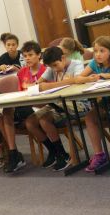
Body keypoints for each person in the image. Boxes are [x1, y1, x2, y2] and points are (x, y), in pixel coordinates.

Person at [25, 46, 88, 171]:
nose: (54, 69)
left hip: (77, 103)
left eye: (55, 65)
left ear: (63, 58)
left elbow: (76, 82)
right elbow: (39, 84)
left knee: (44, 119)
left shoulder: (77, 65)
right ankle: (54, 151)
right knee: (30, 122)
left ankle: (63, 155)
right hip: (58, 103)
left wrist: (48, 86)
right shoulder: (51, 67)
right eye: (51, 67)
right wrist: (37, 85)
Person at [0, 40, 46, 173]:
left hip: (41, 105)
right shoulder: (22, 72)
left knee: (6, 114)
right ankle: (14, 153)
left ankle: (15, 155)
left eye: (30, 55)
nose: (27, 58)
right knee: (1, 117)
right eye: (25, 56)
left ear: (39, 55)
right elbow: (20, 93)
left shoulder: (45, 71)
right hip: (25, 105)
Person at [75, 36, 110, 172]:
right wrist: (89, 78)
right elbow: (78, 78)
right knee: (89, 117)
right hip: (105, 104)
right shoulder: (95, 63)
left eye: (102, 51)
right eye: (95, 51)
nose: (98, 54)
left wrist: (105, 76)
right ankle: (99, 154)